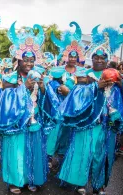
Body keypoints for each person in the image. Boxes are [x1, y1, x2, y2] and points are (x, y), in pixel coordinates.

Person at [58, 23, 123, 195]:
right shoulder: (83, 76)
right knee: (83, 153)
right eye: (96, 57)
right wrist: (96, 87)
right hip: (86, 123)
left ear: (108, 59)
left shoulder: (116, 76)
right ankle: (80, 183)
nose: (99, 60)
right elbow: (71, 94)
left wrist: (122, 85)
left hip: (106, 125)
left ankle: (99, 185)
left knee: (102, 156)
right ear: (91, 58)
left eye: (103, 57)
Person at [0, 22, 48, 194]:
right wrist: (24, 88)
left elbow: (47, 103)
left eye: (31, 60)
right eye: (25, 60)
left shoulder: (40, 76)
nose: (28, 63)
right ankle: (15, 181)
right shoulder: (9, 78)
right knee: (16, 152)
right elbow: (5, 100)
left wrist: (42, 88)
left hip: (34, 121)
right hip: (15, 123)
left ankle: (32, 178)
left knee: (33, 150)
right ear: (18, 60)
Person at [45, 22, 87, 159]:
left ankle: (65, 154)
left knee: (69, 130)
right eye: (70, 56)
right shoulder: (57, 71)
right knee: (57, 128)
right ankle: (50, 154)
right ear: (65, 56)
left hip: (75, 106)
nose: (73, 59)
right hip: (59, 105)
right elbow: (49, 83)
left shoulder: (83, 72)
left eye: (75, 56)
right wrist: (57, 87)